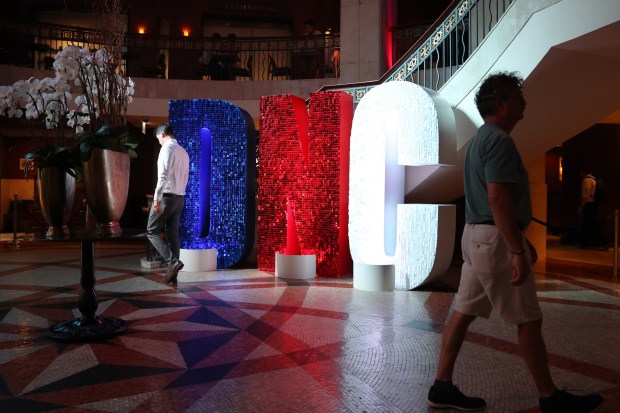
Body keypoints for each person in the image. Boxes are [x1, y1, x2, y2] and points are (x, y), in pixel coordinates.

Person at [427, 72, 603, 413]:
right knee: (528, 319)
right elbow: (499, 200)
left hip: (476, 237)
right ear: (501, 103)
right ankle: (550, 398)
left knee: (462, 312)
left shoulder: (481, 139)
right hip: (493, 239)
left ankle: (441, 386)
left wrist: (517, 241)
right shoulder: (500, 142)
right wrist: (517, 249)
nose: (524, 103)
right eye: (517, 97)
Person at [147, 124, 190, 284]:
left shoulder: (167, 149)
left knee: (151, 231)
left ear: (163, 134)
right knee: (173, 235)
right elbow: (186, 177)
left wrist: (156, 199)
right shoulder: (183, 152)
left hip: (166, 197)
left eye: (158, 137)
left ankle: (173, 262)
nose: (158, 141)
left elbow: (163, 177)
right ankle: (173, 275)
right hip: (179, 198)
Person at [579, 167, 597, 248]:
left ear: (583, 172)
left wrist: (581, 207)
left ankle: (584, 243)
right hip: (593, 204)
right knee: (591, 223)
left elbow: (585, 195)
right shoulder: (594, 179)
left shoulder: (586, 181)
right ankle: (586, 242)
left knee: (586, 224)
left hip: (588, 205)